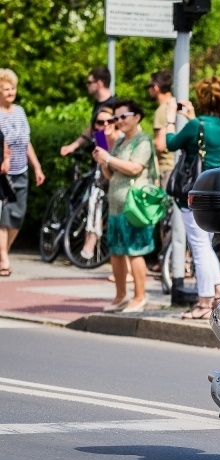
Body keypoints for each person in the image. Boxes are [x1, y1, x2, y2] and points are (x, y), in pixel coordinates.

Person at [161, 76, 220, 319]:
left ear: (203, 99)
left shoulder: (196, 125)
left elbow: (170, 143)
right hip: (215, 190)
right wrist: (192, 118)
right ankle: (215, 293)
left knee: (199, 246)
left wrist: (171, 117)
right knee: (207, 245)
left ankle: (203, 303)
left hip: (193, 191)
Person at [91, 99, 156, 313]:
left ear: (136, 117)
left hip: (134, 205)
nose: (118, 121)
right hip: (117, 204)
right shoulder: (119, 142)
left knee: (135, 251)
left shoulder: (143, 141)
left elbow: (135, 167)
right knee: (117, 251)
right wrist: (103, 161)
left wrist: (109, 158)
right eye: (115, 117)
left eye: (122, 117)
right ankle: (120, 296)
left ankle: (140, 296)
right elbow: (111, 174)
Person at [148, 70, 193, 306]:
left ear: (156, 88)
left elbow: (160, 143)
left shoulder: (161, 110)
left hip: (168, 169)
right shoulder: (180, 103)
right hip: (184, 169)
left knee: (168, 219)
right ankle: (178, 261)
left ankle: (170, 261)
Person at [0, 68, 46, 277]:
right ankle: (4, 260)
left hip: (21, 170)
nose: (11, 93)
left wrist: (36, 166)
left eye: (13, 89)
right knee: (4, 217)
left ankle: (3, 254)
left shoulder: (19, 111)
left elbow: (26, 142)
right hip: (3, 173)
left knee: (18, 215)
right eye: (6, 89)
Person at [78, 106, 121, 262]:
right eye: (100, 122)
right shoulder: (100, 137)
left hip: (122, 177)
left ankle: (92, 243)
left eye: (110, 121)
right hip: (106, 176)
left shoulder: (121, 138)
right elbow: (104, 170)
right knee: (94, 197)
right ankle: (90, 240)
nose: (105, 125)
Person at [61, 66, 116, 157]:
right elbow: (93, 129)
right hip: (101, 154)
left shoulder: (113, 105)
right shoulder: (98, 104)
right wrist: (73, 146)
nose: (87, 85)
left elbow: (103, 135)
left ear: (99, 84)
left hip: (111, 156)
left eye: (89, 82)